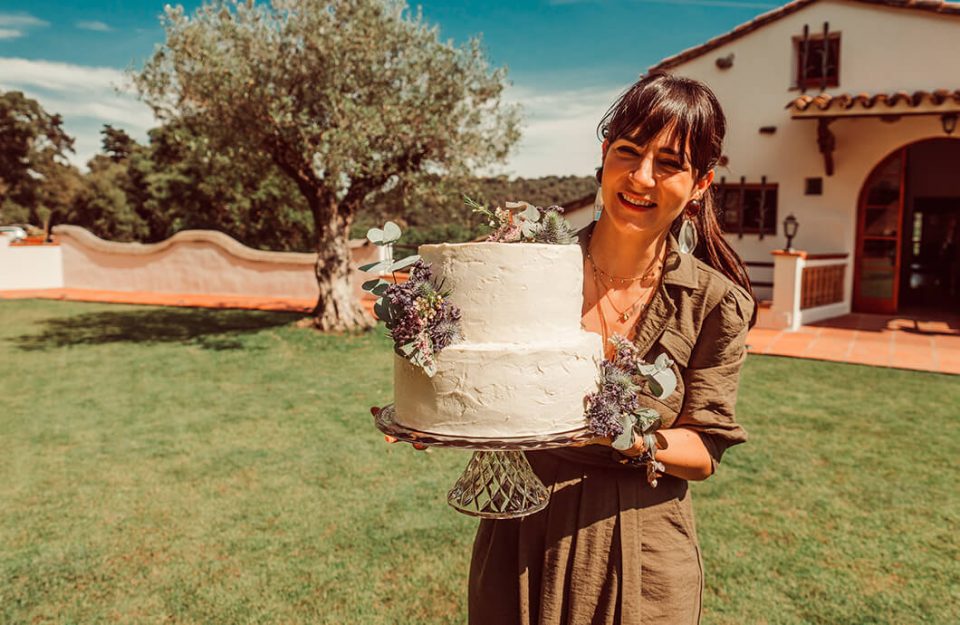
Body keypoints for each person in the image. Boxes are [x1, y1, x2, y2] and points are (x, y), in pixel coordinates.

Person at [379, 71, 757, 624]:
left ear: (701, 182)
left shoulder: (716, 303)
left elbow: (703, 452)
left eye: (670, 164)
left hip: (645, 548)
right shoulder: (522, 270)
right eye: (629, 152)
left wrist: (630, 440)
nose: (643, 178)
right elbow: (476, 371)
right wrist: (441, 415)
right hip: (522, 531)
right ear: (605, 155)